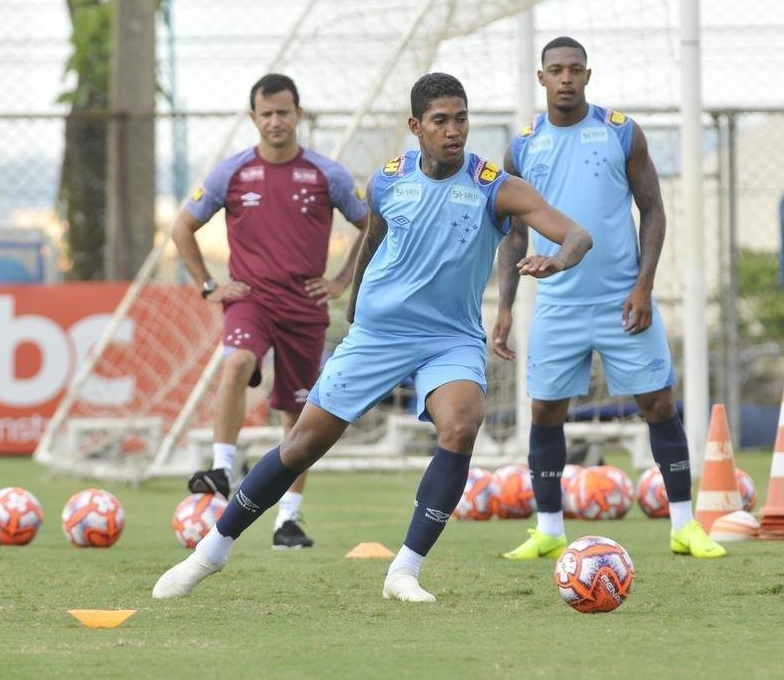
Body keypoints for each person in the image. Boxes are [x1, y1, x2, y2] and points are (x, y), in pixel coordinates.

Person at [153, 72, 592, 603]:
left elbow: (577, 234)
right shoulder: (387, 180)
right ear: (416, 126)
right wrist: (356, 299)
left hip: (449, 337)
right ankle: (211, 551)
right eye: (440, 121)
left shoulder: (495, 186)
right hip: (379, 334)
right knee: (301, 445)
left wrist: (557, 260)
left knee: (461, 425)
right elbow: (374, 239)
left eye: (461, 119)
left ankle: (404, 571)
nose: (454, 131)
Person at [493, 36, 725, 560]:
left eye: (575, 69)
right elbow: (514, 235)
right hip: (558, 305)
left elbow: (654, 210)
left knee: (658, 403)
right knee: (545, 410)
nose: (566, 78)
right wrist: (505, 308)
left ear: (588, 75)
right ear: (541, 78)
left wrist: (643, 285)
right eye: (556, 70)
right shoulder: (522, 146)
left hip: (623, 300)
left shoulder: (621, 132)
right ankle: (549, 530)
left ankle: (684, 525)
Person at [172, 73, 370, 549]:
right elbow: (182, 228)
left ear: (297, 114)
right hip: (251, 298)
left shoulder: (327, 174)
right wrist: (208, 286)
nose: (275, 121)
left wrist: (342, 279)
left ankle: (288, 521)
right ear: (253, 118)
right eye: (267, 114)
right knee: (237, 361)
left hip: (305, 306)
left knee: (298, 417)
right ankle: (223, 468)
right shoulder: (232, 172)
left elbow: (371, 224)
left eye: (284, 112)